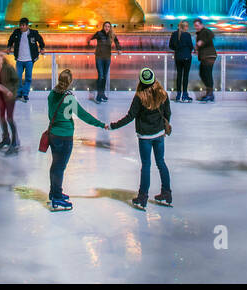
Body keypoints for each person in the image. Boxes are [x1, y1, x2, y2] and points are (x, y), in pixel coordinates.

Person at [107, 68, 173, 209]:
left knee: (146, 165)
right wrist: (162, 127)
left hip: (145, 137)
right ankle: (167, 193)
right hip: (159, 134)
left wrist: (113, 126)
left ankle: (142, 197)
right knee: (161, 162)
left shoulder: (139, 97)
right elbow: (168, 113)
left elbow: (130, 116)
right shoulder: (162, 94)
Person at [45, 68, 108, 211]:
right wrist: (101, 124)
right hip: (65, 137)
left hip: (53, 135)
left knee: (56, 165)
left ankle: (55, 192)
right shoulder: (69, 98)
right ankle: (56, 198)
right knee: (59, 167)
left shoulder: (51, 94)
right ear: (70, 82)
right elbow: (84, 115)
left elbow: (50, 114)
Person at [5, 17, 44, 102]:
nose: (21, 27)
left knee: (28, 78)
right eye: (20, 25)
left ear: (27, 26)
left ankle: (25, 94)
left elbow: (40, 40)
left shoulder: (33, 33)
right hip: (19, 60)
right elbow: (10, 40)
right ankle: (19, 93)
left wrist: (42, 48)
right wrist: (9, 47)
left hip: (29, 60)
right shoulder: (16, 32)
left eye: (23, 25)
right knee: (18, 77)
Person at [0, 51, 20, 154]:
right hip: (0, 97)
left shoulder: (9, 68)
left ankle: (15, 141)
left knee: (9, 118)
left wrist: (10, 92)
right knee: (1, 117)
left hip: (9, 96)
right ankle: (6, 138)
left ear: (3, 59)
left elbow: (16, 81)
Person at [87, 21, 122, 103]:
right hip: (99, 57)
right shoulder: (99, 33)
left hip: (107, 58)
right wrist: (89, 43)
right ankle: (99, 95)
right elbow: (90, 38)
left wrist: (119, 49)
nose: (107, 28)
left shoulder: (112, 35)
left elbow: (117, 41)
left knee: (105, 76)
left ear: (110, 28)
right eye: (105, 26)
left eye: (108, 26)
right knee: (101, 76)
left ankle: (102, 94)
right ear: (103, 27)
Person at [168, 19, 194, 101]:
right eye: (187, 26)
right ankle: (185, 95)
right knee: (185, 76)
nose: (188, 28)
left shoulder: (174, 34)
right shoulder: (187, 35)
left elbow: (170, 46)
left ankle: (178, 95)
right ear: (185, 27)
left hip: (178, 57)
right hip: (187, 57)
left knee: (179, 75)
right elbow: (191, 46)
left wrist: (177, 49)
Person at [193, 18, 217, 102]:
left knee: (207, 74)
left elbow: (211, 35)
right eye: (195, 26)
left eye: (197, 25)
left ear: (201, 25)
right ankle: (209, 93)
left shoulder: (205, 31)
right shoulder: (200, 33)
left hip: (209, 56)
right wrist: (197, 49)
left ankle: (210, 94)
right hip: (205, 57)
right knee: (203, 73)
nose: (196, 27)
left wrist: (201, 42)